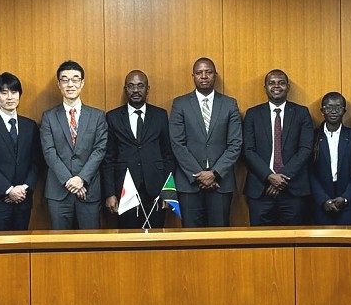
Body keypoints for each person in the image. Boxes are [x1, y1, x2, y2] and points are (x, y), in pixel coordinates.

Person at [169, 57, 242, 227]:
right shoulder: (180, 104)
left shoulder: (230, 104)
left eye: (208, 72)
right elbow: (177, 144)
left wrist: (214, 173)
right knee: (190, 237)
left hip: (221, 184)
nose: (204, 76)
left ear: (215, 75)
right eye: (199, 73)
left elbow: (235, 144)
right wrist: (199, 175)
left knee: (219, 236)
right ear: (193, 76)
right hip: (189, 184)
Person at [102, 70, 175, 228]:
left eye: (140, 86)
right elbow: (108, 159)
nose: (135, 90)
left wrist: (168, 192)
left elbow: (168, 155)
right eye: (131, 86)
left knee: (156, 238)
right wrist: (110, 193)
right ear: (125, 89)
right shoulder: (113, 117)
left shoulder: (160, 115)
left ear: (148, 89)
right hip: (125, 190)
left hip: (156, 189)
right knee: (128, 238)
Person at [40, 60, 108, 230]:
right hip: (59, 192)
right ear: (59, 84)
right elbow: (49, 152)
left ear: (82, 83)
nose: (70, 84)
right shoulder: (48, 117)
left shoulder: (98, 116)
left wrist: (81, 179)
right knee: (60, 243)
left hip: (88, 191)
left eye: (75, 79)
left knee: (90, 242)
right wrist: (69, 181)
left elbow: (99, 150)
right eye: (65, 80)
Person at [242, 69, 314, 226]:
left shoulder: (301, 113)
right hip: (261, 190)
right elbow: (248, 151)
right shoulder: (253, 114)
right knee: (260, 238)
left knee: (293, 238)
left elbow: (306, 149)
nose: (276, 86)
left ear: (288, 87)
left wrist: (281, 176)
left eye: (281, 83)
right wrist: (269, 176)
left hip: (293, 190)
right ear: (265, 87)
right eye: (272, 83)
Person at [0, 72, 40, 231]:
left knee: (22, 245)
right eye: (4, 93)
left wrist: (24, 189)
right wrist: (9, 190)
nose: (10, 97)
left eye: (14, 92)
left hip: (23, 201)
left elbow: (36, 162)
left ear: (19, 95)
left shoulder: (30, 126)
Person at [310, 92, 351, 226]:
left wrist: (346, 198)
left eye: (338, 107)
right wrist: (323, 200)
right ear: (322, 110)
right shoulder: (313, 136)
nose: (334, 111)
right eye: (329, 107)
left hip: (349, 201)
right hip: (320, 202)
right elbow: (309, 172)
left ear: (344, 111)